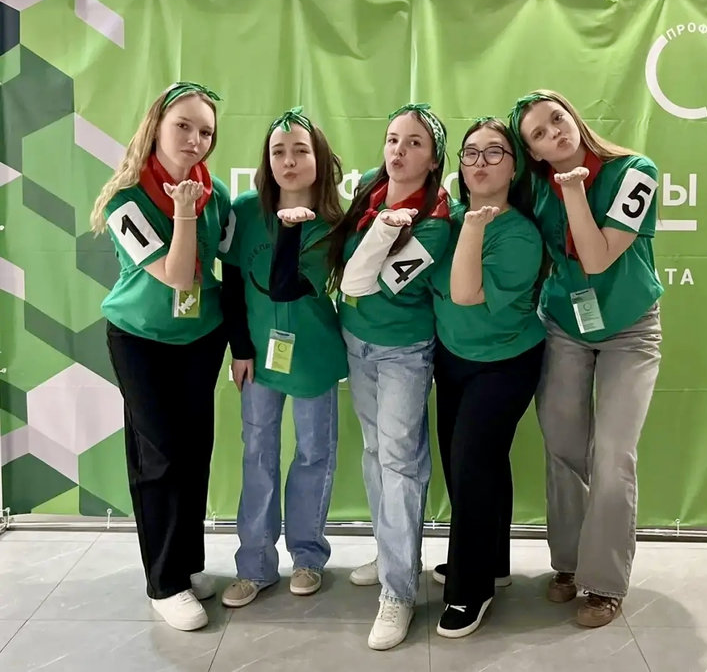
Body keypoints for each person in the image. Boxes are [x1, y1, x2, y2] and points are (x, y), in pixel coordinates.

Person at [509, 89, 663, 627]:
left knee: (613, 454)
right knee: (563, 444)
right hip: (566, 324)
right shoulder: (536, 189)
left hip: (630, 329)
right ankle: (570, 564)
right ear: (533, 152)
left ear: (574, 115)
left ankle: (605, 584)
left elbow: (596, 258)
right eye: (539, 134)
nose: (555, 132)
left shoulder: (635, 171)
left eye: (558, 119)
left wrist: (573, 188)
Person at [90, 82, 231, 631]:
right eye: (184, 126)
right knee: (160, 456)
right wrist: (185, 212)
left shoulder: (216, 192)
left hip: (201, 338)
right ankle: (164, 582)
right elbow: (175, 277)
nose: (195, 139)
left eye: (206, 132)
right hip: (141, 340)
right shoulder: (127, 199)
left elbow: (227, 266)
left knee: (194, 452)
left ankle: (186, 564)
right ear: (156, 127)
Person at [327, 102, 451, 650]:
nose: (399, 151)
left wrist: (381, 231)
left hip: (404, 352)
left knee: (400, 462)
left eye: (414, 143)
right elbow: (344, 271)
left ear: (433, 160)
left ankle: (398, 591)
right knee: (376, 452)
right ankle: (391, 553)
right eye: (393, 139)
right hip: (357, 343)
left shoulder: (438, 222)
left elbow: (359, 282)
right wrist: (378, 223)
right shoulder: (369, 193)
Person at [219, 107, 347, 608]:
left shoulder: (335, 222)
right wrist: (240, 348)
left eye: (300, 151)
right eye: (278, 152)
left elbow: (288, 286)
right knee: (258, 452)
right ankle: (254, 565)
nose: (289, 161)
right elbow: (232, 283)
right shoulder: (246, 210)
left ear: (319, 159)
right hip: (258, 357)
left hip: (314, 354)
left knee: (314, 453)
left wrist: (294, 229)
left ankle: (308, 556)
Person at [429, 117, 547, 638]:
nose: (480, 162)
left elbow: (465, 293)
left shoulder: (520, 234)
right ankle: (492, 562)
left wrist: (474, 226)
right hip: (452, 358)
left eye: (495, 152)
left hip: (505, 362)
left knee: (472, 466)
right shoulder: (446, 216)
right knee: (474, 464)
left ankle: (469, 590)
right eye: (470, 152)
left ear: (514, 166)